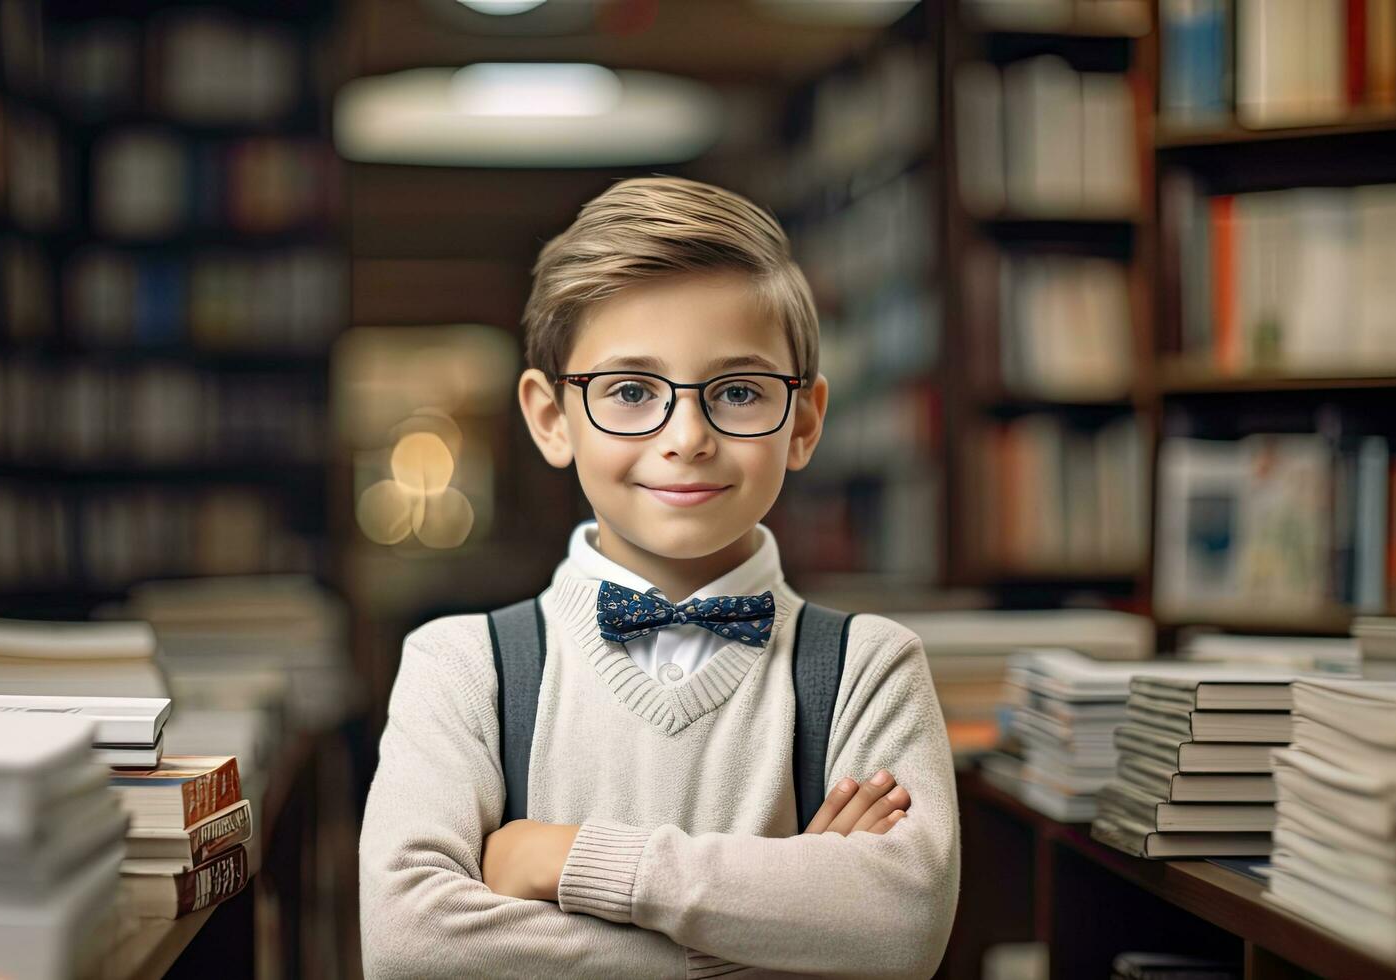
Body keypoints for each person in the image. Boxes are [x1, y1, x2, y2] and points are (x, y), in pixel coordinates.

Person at [358, 176, 959, 978]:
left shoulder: (867, 666)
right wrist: (779, 934)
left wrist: (566, 860)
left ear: (805, 422)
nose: (686, 437)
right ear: (550, 418)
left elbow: (900, 930)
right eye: (631, 391)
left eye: (739, 392)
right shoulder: (462, 664)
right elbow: (410, 947)